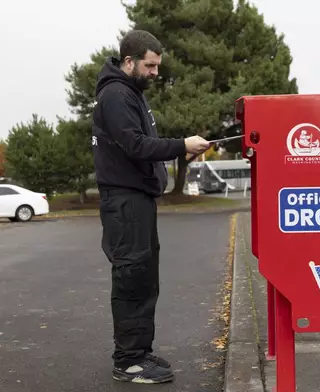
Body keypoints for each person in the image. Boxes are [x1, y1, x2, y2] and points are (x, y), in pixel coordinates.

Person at [91, 30, 210, 384]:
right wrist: (179, 144)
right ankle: (127, 360)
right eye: (150, 65)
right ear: (129, 62)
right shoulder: (115, 95)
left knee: (144, 279)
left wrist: (180, 149)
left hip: (138, 202)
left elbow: (143, 144)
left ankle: (139, 352)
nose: (155, 73)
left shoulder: (131, 94)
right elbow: (136, 145)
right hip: (124, 204)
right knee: (131, 279)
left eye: (157, 65)